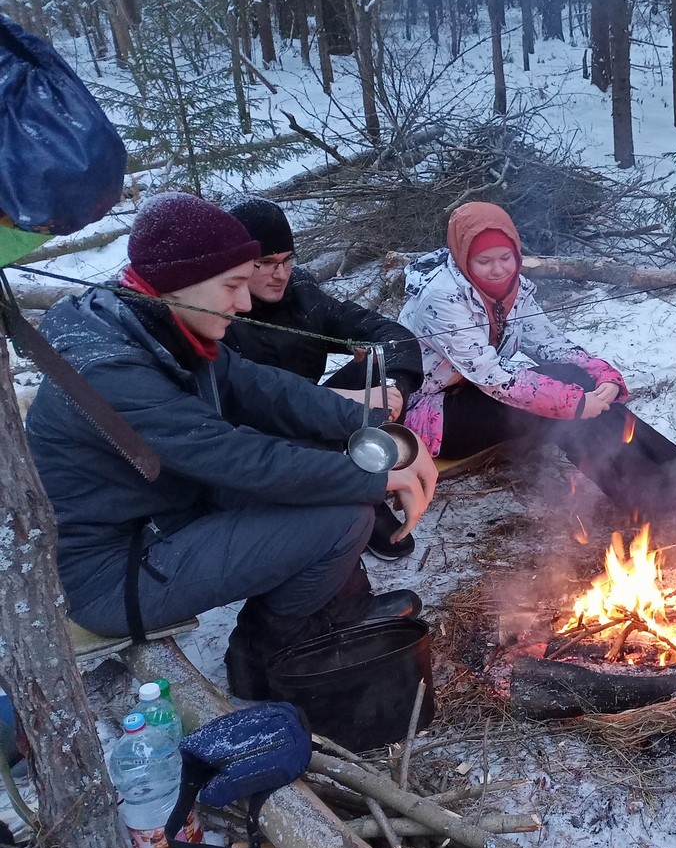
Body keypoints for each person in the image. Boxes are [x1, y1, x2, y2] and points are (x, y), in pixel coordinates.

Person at [24, 193, 438, 700]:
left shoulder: (153, 325)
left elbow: (261, 386)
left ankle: (324, 619)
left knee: (334, 493)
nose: (245, 304)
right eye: (234, 285)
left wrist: (379, 425)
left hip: (167, 513)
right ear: (180, 283)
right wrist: (377, 477)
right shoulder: (114, 370)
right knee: (343, 518)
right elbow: (239, 459)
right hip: (115, 570)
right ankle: (263, 661)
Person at [399, 201, 676, 514]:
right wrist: (574, 403)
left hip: (474, 392)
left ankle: (673, 466)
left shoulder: (514, 290)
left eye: (505, 257)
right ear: (462, 257)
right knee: (559, 407)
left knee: (574, 377)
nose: (498, 269)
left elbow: (549, 343)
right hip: (431, 415)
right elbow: (492, 376)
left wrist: (602, 375)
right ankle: (642, 494)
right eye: (484, 261)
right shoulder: (440, 299)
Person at [223, 196, 425, 560]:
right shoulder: (222, 317)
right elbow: (248, 402)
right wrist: (348, 403)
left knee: (382, 366)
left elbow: (392, 335)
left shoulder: (300, 292)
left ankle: (372, 467)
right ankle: (355, 495)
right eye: (266, 263)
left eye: (286, 260)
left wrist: (391, 389)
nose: (280, 274)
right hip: (260, 440)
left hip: (315, 411)